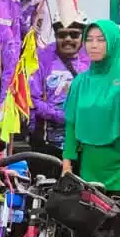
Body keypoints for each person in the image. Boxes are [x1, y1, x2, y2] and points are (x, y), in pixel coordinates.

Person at [62, 20, 120, 195]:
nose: (94, 45)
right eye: (89, 39)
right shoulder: (80, 82)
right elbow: (71, 124)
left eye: (101, 40)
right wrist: (67, 164)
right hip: (87, 172)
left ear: (113, 42)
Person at [30, 19, 90, 159]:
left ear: (83, 37)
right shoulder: (42, 58)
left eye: (74, 35)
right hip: (47, 142)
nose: (68, 39)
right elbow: (32, 99)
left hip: (82, 142)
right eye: (62, 35)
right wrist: (61, 116)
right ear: (56, 36)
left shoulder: (92, 59)